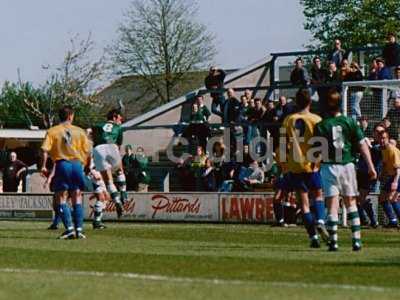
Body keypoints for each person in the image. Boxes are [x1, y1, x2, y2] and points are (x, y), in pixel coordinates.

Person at [313, 90, 377, 251]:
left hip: (329, 166)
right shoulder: (349, 122)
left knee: (332, 204)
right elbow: (363, 144)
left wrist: (313, 165)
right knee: (351, 202)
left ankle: (333, 242)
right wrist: (370, 166)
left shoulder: (321, 125)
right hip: (347, 165)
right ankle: (356, 240)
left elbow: (316, 151)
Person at [282, 88, 328, 248]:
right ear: (310, 102)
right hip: (312, 164)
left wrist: (284, 164)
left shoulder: (289, 119)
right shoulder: (316, 119)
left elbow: (283, 143)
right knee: (319, 196)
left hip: (295, 165)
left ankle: (313, 237)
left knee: (304, 204)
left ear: (296, 102)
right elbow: (321, 143)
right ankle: (321, 220)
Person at [41, 105, 91, 239]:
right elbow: (87, 151)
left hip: (62, 164)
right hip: (77, 164)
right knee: (77, 196)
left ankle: (69, 229)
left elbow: (45, 150)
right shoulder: (80, 131)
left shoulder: (52, 131)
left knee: (60, 197)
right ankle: (79, 229)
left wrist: (44, 165)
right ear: (70, 116)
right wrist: (86, 166)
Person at [92, 109, 126, 218]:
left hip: (98, 150)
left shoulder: (98, 125)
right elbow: (119, 145)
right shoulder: (118, 128)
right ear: (115, 117)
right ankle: (123, 195)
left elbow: (88, 131)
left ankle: (117, 201)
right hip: (112, 146)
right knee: (120, 170)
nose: (121, 121)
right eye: (120, 118)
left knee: (109, 182)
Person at [356, 124, 383, 228]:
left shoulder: (382, 145)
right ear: (373, 132)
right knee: (355, 197)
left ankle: (372, 220)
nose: (379, 134)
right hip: (360, 172)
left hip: (370, 175)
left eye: (381, 132)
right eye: (377, 131)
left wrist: (368, 145)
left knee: (361, 197)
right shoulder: (369, 142)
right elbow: (358, 149)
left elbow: (376, 152)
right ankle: (364, 219)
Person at [377, 130, 400, 227]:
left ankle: (394, 221)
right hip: (392, 176)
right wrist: (382, 174)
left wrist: (395, 181)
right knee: (382, 198)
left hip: (398, 175)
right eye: (380, 138)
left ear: (388, 138)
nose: (382, 140)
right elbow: (386, 164)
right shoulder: (384, 149)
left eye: (384, 138)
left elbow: (398, 169)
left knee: (392, 199)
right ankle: (393, 221)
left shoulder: (392, 150)